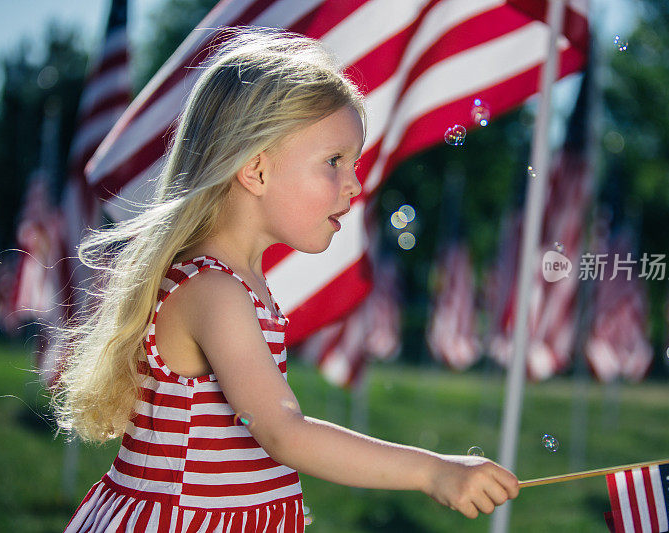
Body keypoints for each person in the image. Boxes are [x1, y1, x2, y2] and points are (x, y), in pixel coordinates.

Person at [53, 26, 519, 532]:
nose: (355, 183)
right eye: (334, 162)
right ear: (255, 171)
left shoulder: (238, 284)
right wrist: (433, 471)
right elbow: (283, 433)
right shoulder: (214, 291)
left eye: (354, 162)